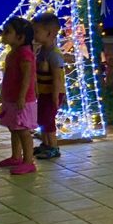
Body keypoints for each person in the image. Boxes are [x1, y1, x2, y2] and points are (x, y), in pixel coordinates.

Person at [0, 17, 38, 175]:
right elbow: (8, 77)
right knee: (14, 128)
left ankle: (28, 161)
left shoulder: (25, 54)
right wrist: (2, 95)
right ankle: (16, 156)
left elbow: (27, 78)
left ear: (20, 37)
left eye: (8, 32)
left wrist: (22, 97)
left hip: (22, 101)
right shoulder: (13, 53)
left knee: (23, 131)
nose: (3, 35)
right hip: (12, 98)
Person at [32, 12, 66, 160]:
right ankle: (45, 144)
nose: (34, 34)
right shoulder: (41, 51)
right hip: (43, 92)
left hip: (52, 93)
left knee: (48, 119)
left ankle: (53, 146)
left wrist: (55, 96)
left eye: (37, 31)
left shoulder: (54, 54)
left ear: (50, 33)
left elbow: (57, 77)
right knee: (42, 119)